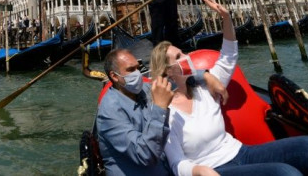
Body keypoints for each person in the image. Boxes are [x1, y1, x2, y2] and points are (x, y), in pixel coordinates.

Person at [150, 0, 308, 176]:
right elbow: (177, 163)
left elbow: (228, 56)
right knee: (287, 174)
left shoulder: (205, 87)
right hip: (214, 169)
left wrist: (226, 18)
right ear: (168, 72)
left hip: (241, 152)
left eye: (183, 52)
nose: (186, 57)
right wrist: (198, 171)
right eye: (178, 57)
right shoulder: (166, 112)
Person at [97, 48, 227, 175]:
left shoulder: (144, 90)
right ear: (114, 76)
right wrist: (160, 107)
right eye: (131, 70)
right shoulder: (109, 112)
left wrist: (205, 75)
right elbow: (145, 155)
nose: (137, 74)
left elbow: (175, 80)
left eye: (138, 68)